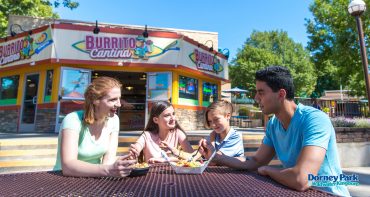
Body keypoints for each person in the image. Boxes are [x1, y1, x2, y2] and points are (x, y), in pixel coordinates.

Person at [199, 66, 350, 196]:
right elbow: (256, 161)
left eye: (261, 92)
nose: (256, 98)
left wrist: (268, 170)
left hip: (328, 193)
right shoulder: (273, 124)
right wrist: (216, 156)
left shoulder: (314, 120)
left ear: (281, 94)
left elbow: (302, 179)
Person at [53, 77, 136, 177]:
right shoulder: (73, 120)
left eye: (119, 98)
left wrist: (117, 167)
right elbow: (68, 166)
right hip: (62, 180)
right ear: (95, 100)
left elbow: (108, 160)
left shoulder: (114, 120)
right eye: (113, 99)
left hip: (95, 178)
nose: (119, 104)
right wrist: (109, 170)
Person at [129, 101, 194, 163]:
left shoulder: (178, 133)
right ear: (156, 120)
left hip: (173, 174)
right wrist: (135, 151)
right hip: (151, 174)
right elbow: (138, 146)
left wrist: (165, 160)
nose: (173, 118)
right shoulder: (147, 135)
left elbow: (193, 157)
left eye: (173, 114)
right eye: (167, 115)